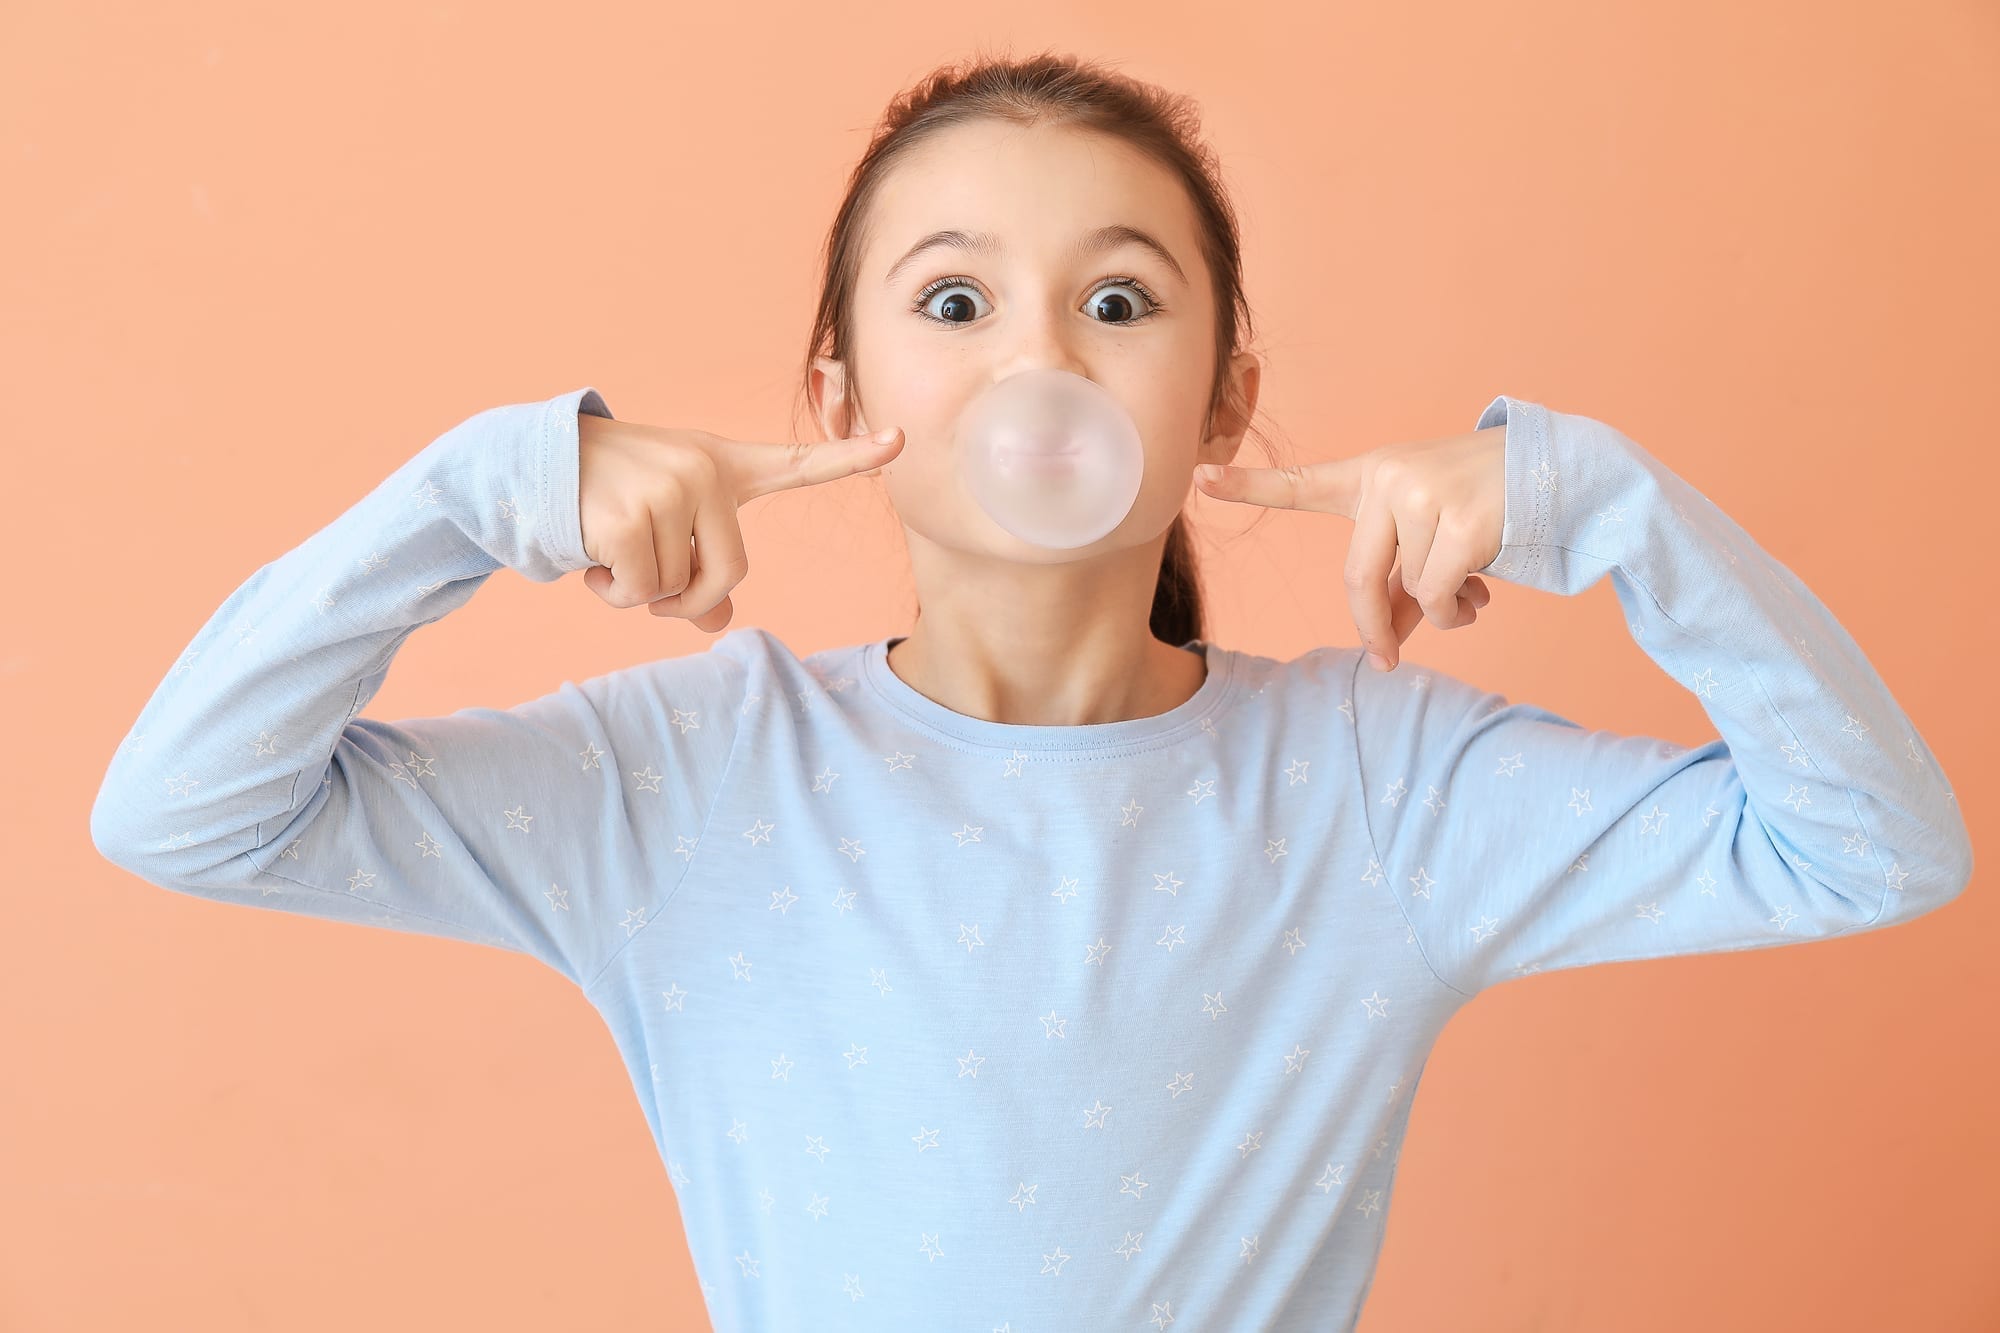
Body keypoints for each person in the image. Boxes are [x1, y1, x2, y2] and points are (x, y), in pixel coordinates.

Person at [89, 50, 1972, 1333]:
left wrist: (1601, 503)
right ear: (838, 398)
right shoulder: (687, 777)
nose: (1039, 364)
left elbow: (1865, 852)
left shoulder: (1380, 785)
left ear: (1224, 401)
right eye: (956, 300)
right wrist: (479, 487)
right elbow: (184, 807)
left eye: (1124, 302)